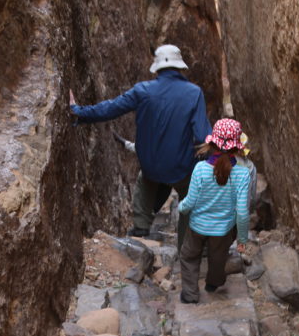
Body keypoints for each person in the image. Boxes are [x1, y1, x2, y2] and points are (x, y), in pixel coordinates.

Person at [70, 45, 211, 244]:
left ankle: (141, 228)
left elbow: (111, 108)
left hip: (151, 165)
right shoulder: (194, 93)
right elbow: (203, 135)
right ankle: (188, 242)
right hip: (181, 167)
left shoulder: (142, 90)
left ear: (157, 67)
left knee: (145, 180)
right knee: (192, 193)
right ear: (180, 67)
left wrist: (79, 112)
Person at [177, 118, 251, 304]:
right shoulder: (243, 174)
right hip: (223, 230)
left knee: (189, 257)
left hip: (197, 227)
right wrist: (242, 238)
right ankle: (213, 283)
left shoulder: (200, 169)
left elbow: (190, 201)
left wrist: (181, 208)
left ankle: (190, 294)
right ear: (238, 147)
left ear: (211, 143)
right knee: (218, 259)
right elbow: (242, 212)